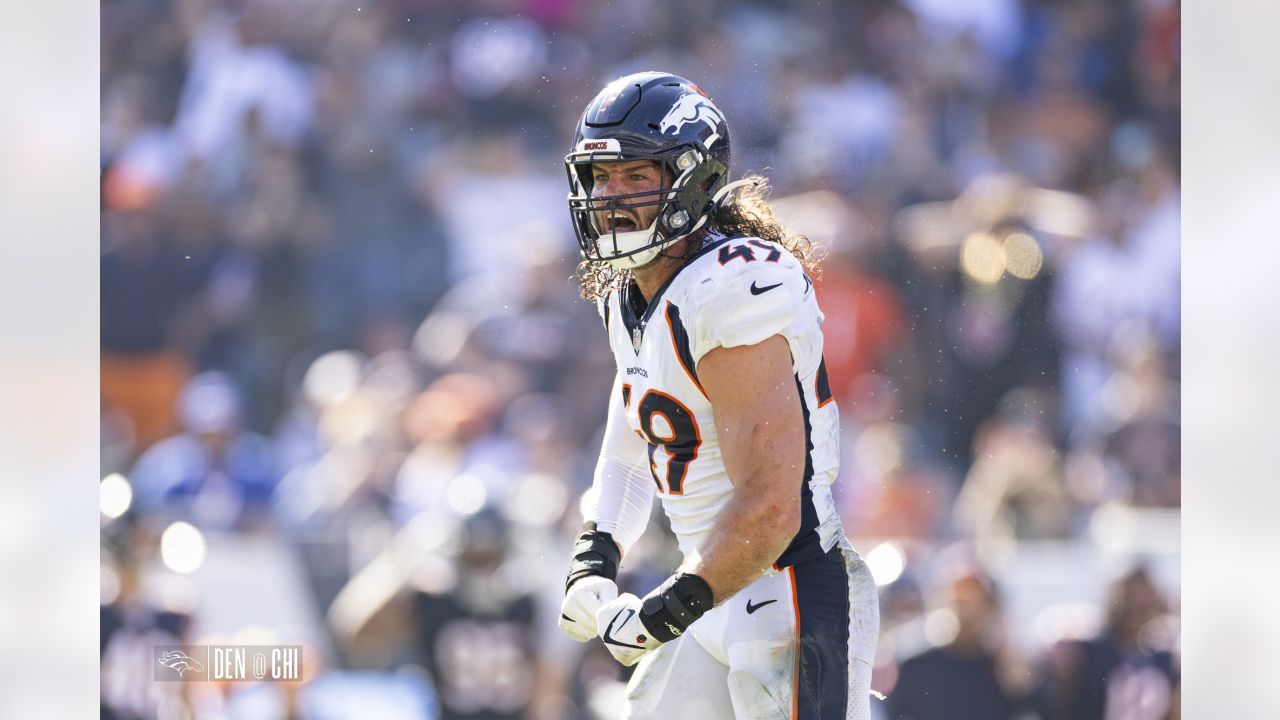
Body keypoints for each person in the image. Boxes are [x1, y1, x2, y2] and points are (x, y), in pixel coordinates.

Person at [555, 71, 879, 720]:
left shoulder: (732, 287)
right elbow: (630, 446)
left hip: (783, 592)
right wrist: (595, 558)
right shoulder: (630, 292)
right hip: (709, 593)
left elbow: (768, 509)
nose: (610, 196)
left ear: (691, 180)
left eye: (634, 176)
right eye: (601, 176)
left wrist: (663, 609)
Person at [885, 570, 1031, 720]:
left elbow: (1032, 710)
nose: (967, 609)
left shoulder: (1005, 671)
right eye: (961, 599)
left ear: (991, 608)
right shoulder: (917, 667)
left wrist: (1018, 686)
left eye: (977, 600)